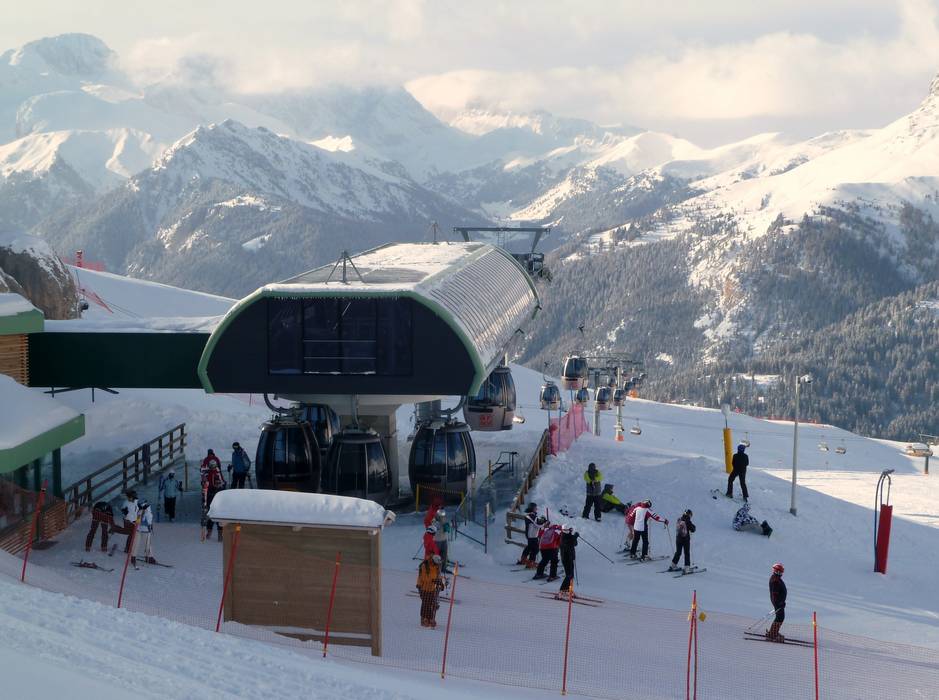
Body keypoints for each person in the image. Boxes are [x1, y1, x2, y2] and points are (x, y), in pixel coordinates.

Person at [416, 554, 446, 628]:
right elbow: (424, 578)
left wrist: (441, 583)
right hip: (423, 587)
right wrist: (434, 580)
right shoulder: (425, 566)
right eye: (436, 563)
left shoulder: (436, 567)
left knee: (432, 603)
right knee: (425, 603)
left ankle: (430, 618)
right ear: (433, 561)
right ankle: (424, 619)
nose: (437, 565)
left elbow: (438, 576)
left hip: (432, 588)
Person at [202, 457, 227, 541]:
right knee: (210, 514)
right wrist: (204, 483)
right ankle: (209, 532)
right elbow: (205, 483)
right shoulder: (207, 473)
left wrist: (221, 485)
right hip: (210, 496)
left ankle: (220, 534)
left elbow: (222, 482)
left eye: (213, 466)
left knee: (218, 515)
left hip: (217, 495)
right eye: (211, 466)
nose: (212, 467)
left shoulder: (217, 473)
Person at [768, 563, 787, 641]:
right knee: (780, 617)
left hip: (779, 602)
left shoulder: (776, 578)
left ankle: (773, 632)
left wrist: (782, 601)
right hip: (778, 603)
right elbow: (775, 594)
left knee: (780, 617)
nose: (779, 573)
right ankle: (773, 634)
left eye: (781, 572)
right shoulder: (775, 580)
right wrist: (779, 603)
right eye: (778, 571)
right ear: (774, 571)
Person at [132, 500, 155, 566]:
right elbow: (134, 518)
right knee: (136, 543)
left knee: (147, 544)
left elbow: (148, 521)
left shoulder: (148, 512)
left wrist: (141, 520)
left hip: (146, 531)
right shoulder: (138, 510)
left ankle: (149, 557)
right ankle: (133, 556)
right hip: (138, 530)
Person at [517, 502, 540, 568]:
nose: (536, 509)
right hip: (532, 535)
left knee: (529, 547)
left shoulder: (529, 515)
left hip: (530, 534)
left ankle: (523, 559)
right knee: (535, 549)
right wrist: (544, 523)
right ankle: (531, 562)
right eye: (535, 508)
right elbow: (538, 523)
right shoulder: (531, 516)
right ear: (532, 508)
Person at [558, 524, 579, 593]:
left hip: (571, 558)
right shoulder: (563, 537)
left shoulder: (569, 536)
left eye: (571, 530)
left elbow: (575, 544)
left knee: (571, 575)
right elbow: (569, 544)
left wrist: (575, 537)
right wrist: (574, 537)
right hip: (566, 558)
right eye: (570, 530)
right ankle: (563, 589)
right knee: (569, 575)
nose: (570, 531)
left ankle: (568, 589)